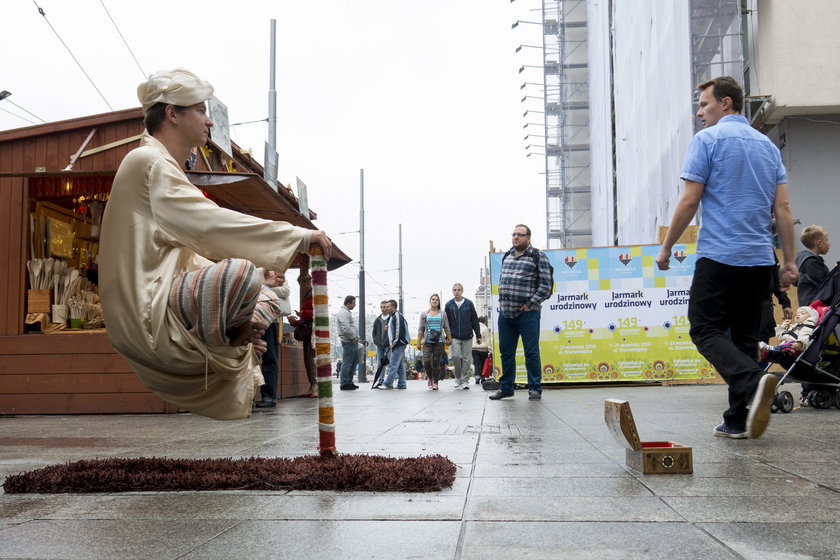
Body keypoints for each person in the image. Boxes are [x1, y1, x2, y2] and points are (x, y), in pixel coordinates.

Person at [98, 68, 332, 421]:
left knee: (262, 291)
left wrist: (257, 279)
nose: (209, 122)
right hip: (146, 313)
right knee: (239, 275)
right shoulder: (148, 162)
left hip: (158, 303)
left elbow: (186, 254)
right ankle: (230, 338)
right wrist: (297, 236)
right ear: (172, 113)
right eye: (200, 110)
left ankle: (236, 335)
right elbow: (210, 223)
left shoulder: (159, 163)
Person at [655, 76, 796, 439]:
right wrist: (789, 261)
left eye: (704, 104)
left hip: (720, 255)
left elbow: (690, 199)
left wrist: (667, 246)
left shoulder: (707, 140)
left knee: (705, 329)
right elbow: (782, 207)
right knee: (745, 340)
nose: (699, 112)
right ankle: (737, 420)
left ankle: (753, 382)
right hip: (760, 260)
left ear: (727, 103)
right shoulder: (768, 147)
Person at [489, 224, 553, 401]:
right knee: (506, 353)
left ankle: (534, 388)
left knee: (531, 352)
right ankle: (506, 388)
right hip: (506, 314)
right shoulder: (507, 256)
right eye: (514, 234)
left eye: (520, 235)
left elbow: (546, 286)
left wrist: (530, 304)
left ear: (528, 238)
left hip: (528, 313)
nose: (515, 237)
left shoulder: (538, 256)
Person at [254, 271, 293, 409]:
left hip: (271, 319)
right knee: (250, 357)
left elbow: (286, 290)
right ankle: (249, 395)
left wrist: (262, 287)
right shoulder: (256, 270)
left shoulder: (278, 273)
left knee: (270, 357)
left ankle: (269, 396)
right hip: (253, 317)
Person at [444, 283, 481, 390]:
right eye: (455, 290)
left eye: (459, 290)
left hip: (468, 335)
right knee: (456, 356)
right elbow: (446, 322)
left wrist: (478, 335)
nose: (457, 292)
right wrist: (447, 336)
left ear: (462, 291)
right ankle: (458, 378)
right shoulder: (449, 305)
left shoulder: (469, 304)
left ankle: (465, 380)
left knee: (466, 359)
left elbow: (474, 320)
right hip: (454, 335)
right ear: (452, 291)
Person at [287, 273, 318, 398]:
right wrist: (295, 322)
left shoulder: (316, 294)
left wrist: (302, 314)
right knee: (307, 359)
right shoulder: (308, 294)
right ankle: (312, 386)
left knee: (310, 359)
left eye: (303, 284)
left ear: (309, 281)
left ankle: (315, 386)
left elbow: (318, 312)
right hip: (308, 330)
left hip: (314, 331)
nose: (303, 287)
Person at [417, 294, 452, 390]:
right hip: (427, 341)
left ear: (439, 302)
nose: (435, 301)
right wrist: (419, 342)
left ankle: (435, 382)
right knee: (427, 361)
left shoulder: (443, 314)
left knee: (436, 362)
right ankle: (430, 378)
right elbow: (421, 329)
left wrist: (449, 338)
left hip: (439, 341)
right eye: (433, 299)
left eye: (437, 300)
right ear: (430, 301)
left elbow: (447, 327)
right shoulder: (424, 314)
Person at [796, 225, 832, 307]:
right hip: (815, 309)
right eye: (827, 240)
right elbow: (826, 285)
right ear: (819, 243)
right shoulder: (811, 263)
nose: (829, 244)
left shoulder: (804, 260)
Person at [378, 300, 410, 390]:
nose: (386, 308)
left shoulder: (396, 315)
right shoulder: (394, 316)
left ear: (393, 307)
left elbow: (398, 331)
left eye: (388, 306)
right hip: (399, 343)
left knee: (393, 364)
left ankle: (387, 383)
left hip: (399, 343)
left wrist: (393, 343)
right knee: (399, 364)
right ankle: (402, 383)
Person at [337, 295, 360, 390]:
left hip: (352, 341)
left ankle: (349, 381)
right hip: (349, 341)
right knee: (347, 363)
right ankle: (344, 383)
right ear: (349, 302)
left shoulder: (346, 312)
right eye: (354, 303)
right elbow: (346, 328)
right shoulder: (343, 313)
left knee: (353, 363)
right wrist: (354, 338)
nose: (355, 305)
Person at [371, 301, 391, 388]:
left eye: (384, 307)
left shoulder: (391, 318)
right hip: (380, 345)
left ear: (387, 307)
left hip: (389, 345)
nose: (383, 309)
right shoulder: (377, 319)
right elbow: (374, 332)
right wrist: (376, 341)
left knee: (390, 363)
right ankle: (380, 381)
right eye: (381, 307)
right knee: (380, 364)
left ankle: (389, 382)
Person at [472, 316, 492, 385]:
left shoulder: (473, 328)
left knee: (477, 363)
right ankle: (483, 378)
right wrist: (489, 349)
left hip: (474, 349)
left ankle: (477, 378)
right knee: (483, 363)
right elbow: (488, 340)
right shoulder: (485, 328)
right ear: (484, 321)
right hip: (483, 349)